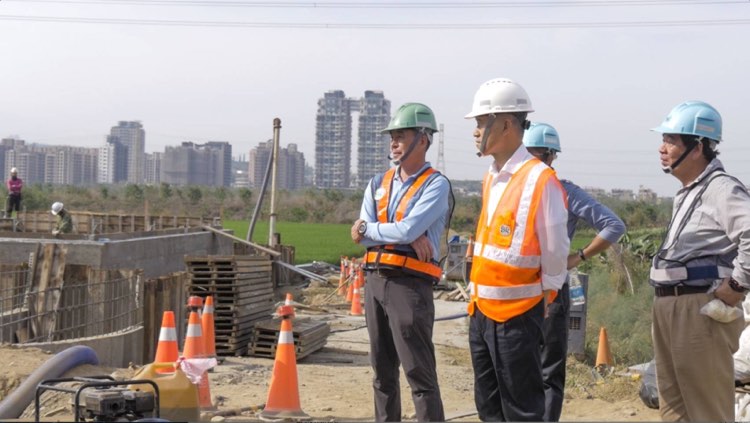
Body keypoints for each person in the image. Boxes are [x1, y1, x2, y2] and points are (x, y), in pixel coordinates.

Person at [464, 78, 569, 422]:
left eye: (481, 122)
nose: (476, 131)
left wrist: (547, 295)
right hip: (481, 312)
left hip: (517, 317)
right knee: (489, 409)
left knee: (522, 411)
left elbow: (555, 250)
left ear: (506, 124)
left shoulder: (540, 179)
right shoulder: (490, 177)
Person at [650, 100, 750, 421]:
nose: (662, 148)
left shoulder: (721, 188)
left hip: (697, 309)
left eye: (672, 140)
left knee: (707, 411)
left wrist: (737, 285)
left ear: (698, 147)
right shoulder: (688, 192)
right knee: (675, 409)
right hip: (670, 307)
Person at [351, 102, 451, 422]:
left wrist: (382, 230)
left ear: (423, 140)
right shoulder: (376, 183)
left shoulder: (436, 184)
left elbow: (395, 228)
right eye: (391, 136)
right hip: (375, 281)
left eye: (401, 135)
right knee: (382, 373)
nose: (393, 143)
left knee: (419, 374)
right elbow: (361, 235)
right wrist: (400, 233)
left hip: (409, 285)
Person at [523, 122, 627, 422]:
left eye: (535, 154)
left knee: (548, 370)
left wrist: (579, 256)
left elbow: (614, 225)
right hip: (516, 289)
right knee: (517, 366)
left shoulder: (564, 191)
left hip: (552, 289)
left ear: (549, 157)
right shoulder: (512, 191)